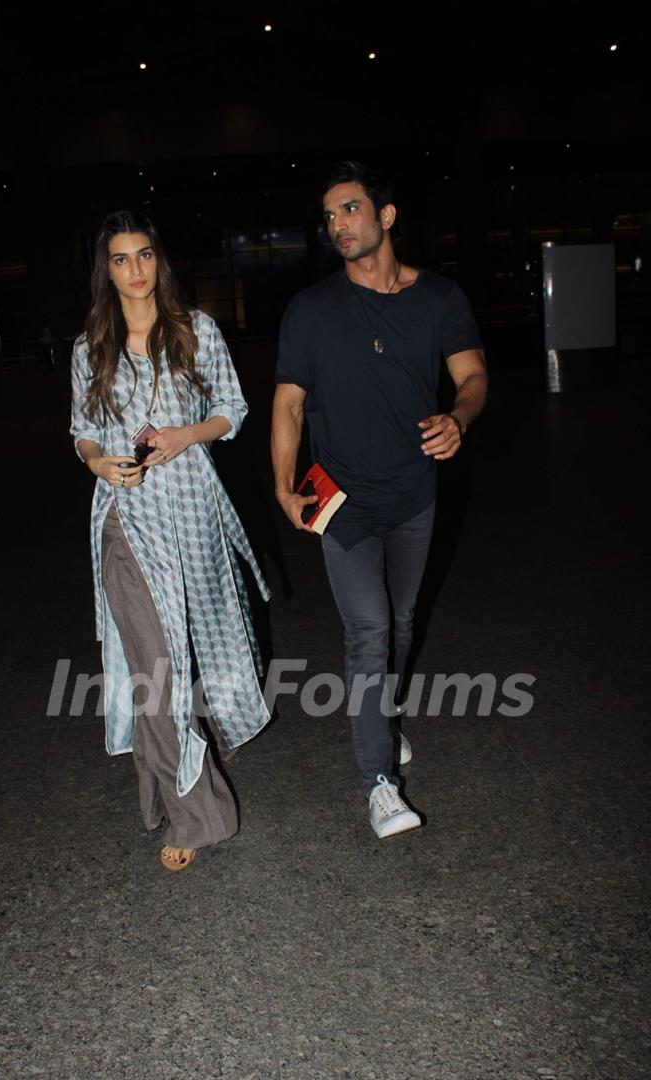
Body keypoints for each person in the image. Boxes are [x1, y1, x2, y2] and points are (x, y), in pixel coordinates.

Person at [271, 162, 488, 839]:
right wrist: (283, 485)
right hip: (338, 496)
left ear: (386, 215)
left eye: (351, 210)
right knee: (367, 632)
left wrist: (459, 416)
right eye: (329, 216)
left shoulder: (440, 299)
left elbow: (474, 375)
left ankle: (383, 724)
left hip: (414, 492)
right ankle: (378, 781)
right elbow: (288, 404)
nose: (338, 224)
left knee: (399, 623)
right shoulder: (311, 310)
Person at [71, 209, 270, 871]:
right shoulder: (88, 347)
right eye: (120, 259)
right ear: (107, 269)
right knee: (153, 669)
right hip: (123, 521)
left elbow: (232, 411)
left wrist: (186, 435)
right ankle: (195, 811)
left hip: (191, 513)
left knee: (192, 654)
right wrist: (99, 462)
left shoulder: (196, 331)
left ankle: (162, 787)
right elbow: (83, 431)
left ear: (160, 261)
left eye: (144, 255)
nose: (134, 270)